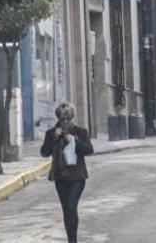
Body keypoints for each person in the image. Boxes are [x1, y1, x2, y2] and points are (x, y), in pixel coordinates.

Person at [41, 102, 94, 243]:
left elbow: (89, 150)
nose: (65, 122)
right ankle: (71, 238)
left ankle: (73, 240)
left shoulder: (80, 132)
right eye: (62, 119)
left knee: (71, 206)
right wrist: (54, 137)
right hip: (60, 176)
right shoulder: (52, 133)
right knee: (66, 209)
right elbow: (44, 152)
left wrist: (75, 141)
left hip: (77, 176)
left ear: (72, 118)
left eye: (67, 119)